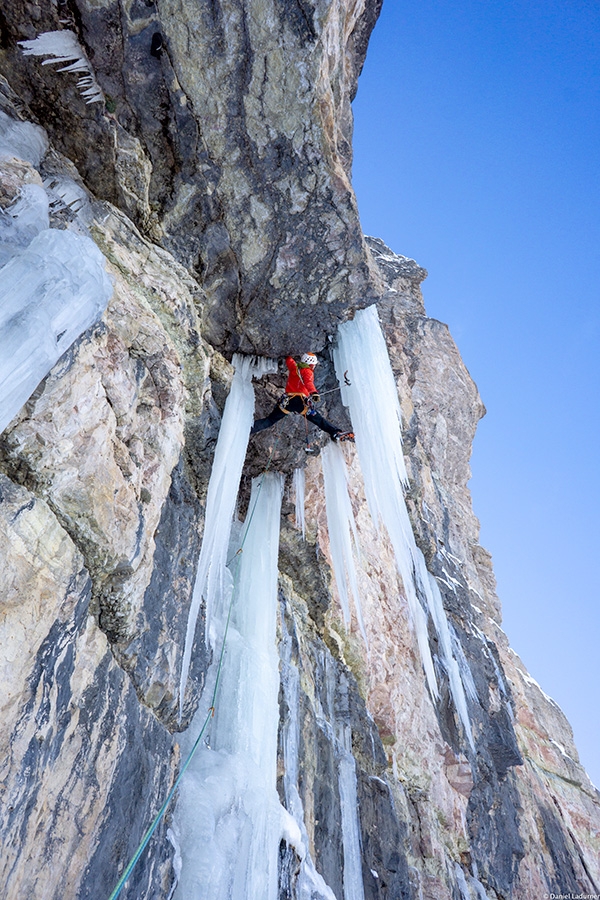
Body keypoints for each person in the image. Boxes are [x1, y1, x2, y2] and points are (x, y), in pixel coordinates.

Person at [250, 353, 354, 442]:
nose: (314, 366)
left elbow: (289, 359)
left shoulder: (294, 367)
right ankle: (335, 433)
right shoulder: (308, 371)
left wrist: (288, 355)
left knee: (269, 420)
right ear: (311, 364)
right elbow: (308, 382)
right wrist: (314, 393)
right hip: (300, 402)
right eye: (314, 364)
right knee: (319, 420)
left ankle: (248, 428)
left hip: (287, 402)